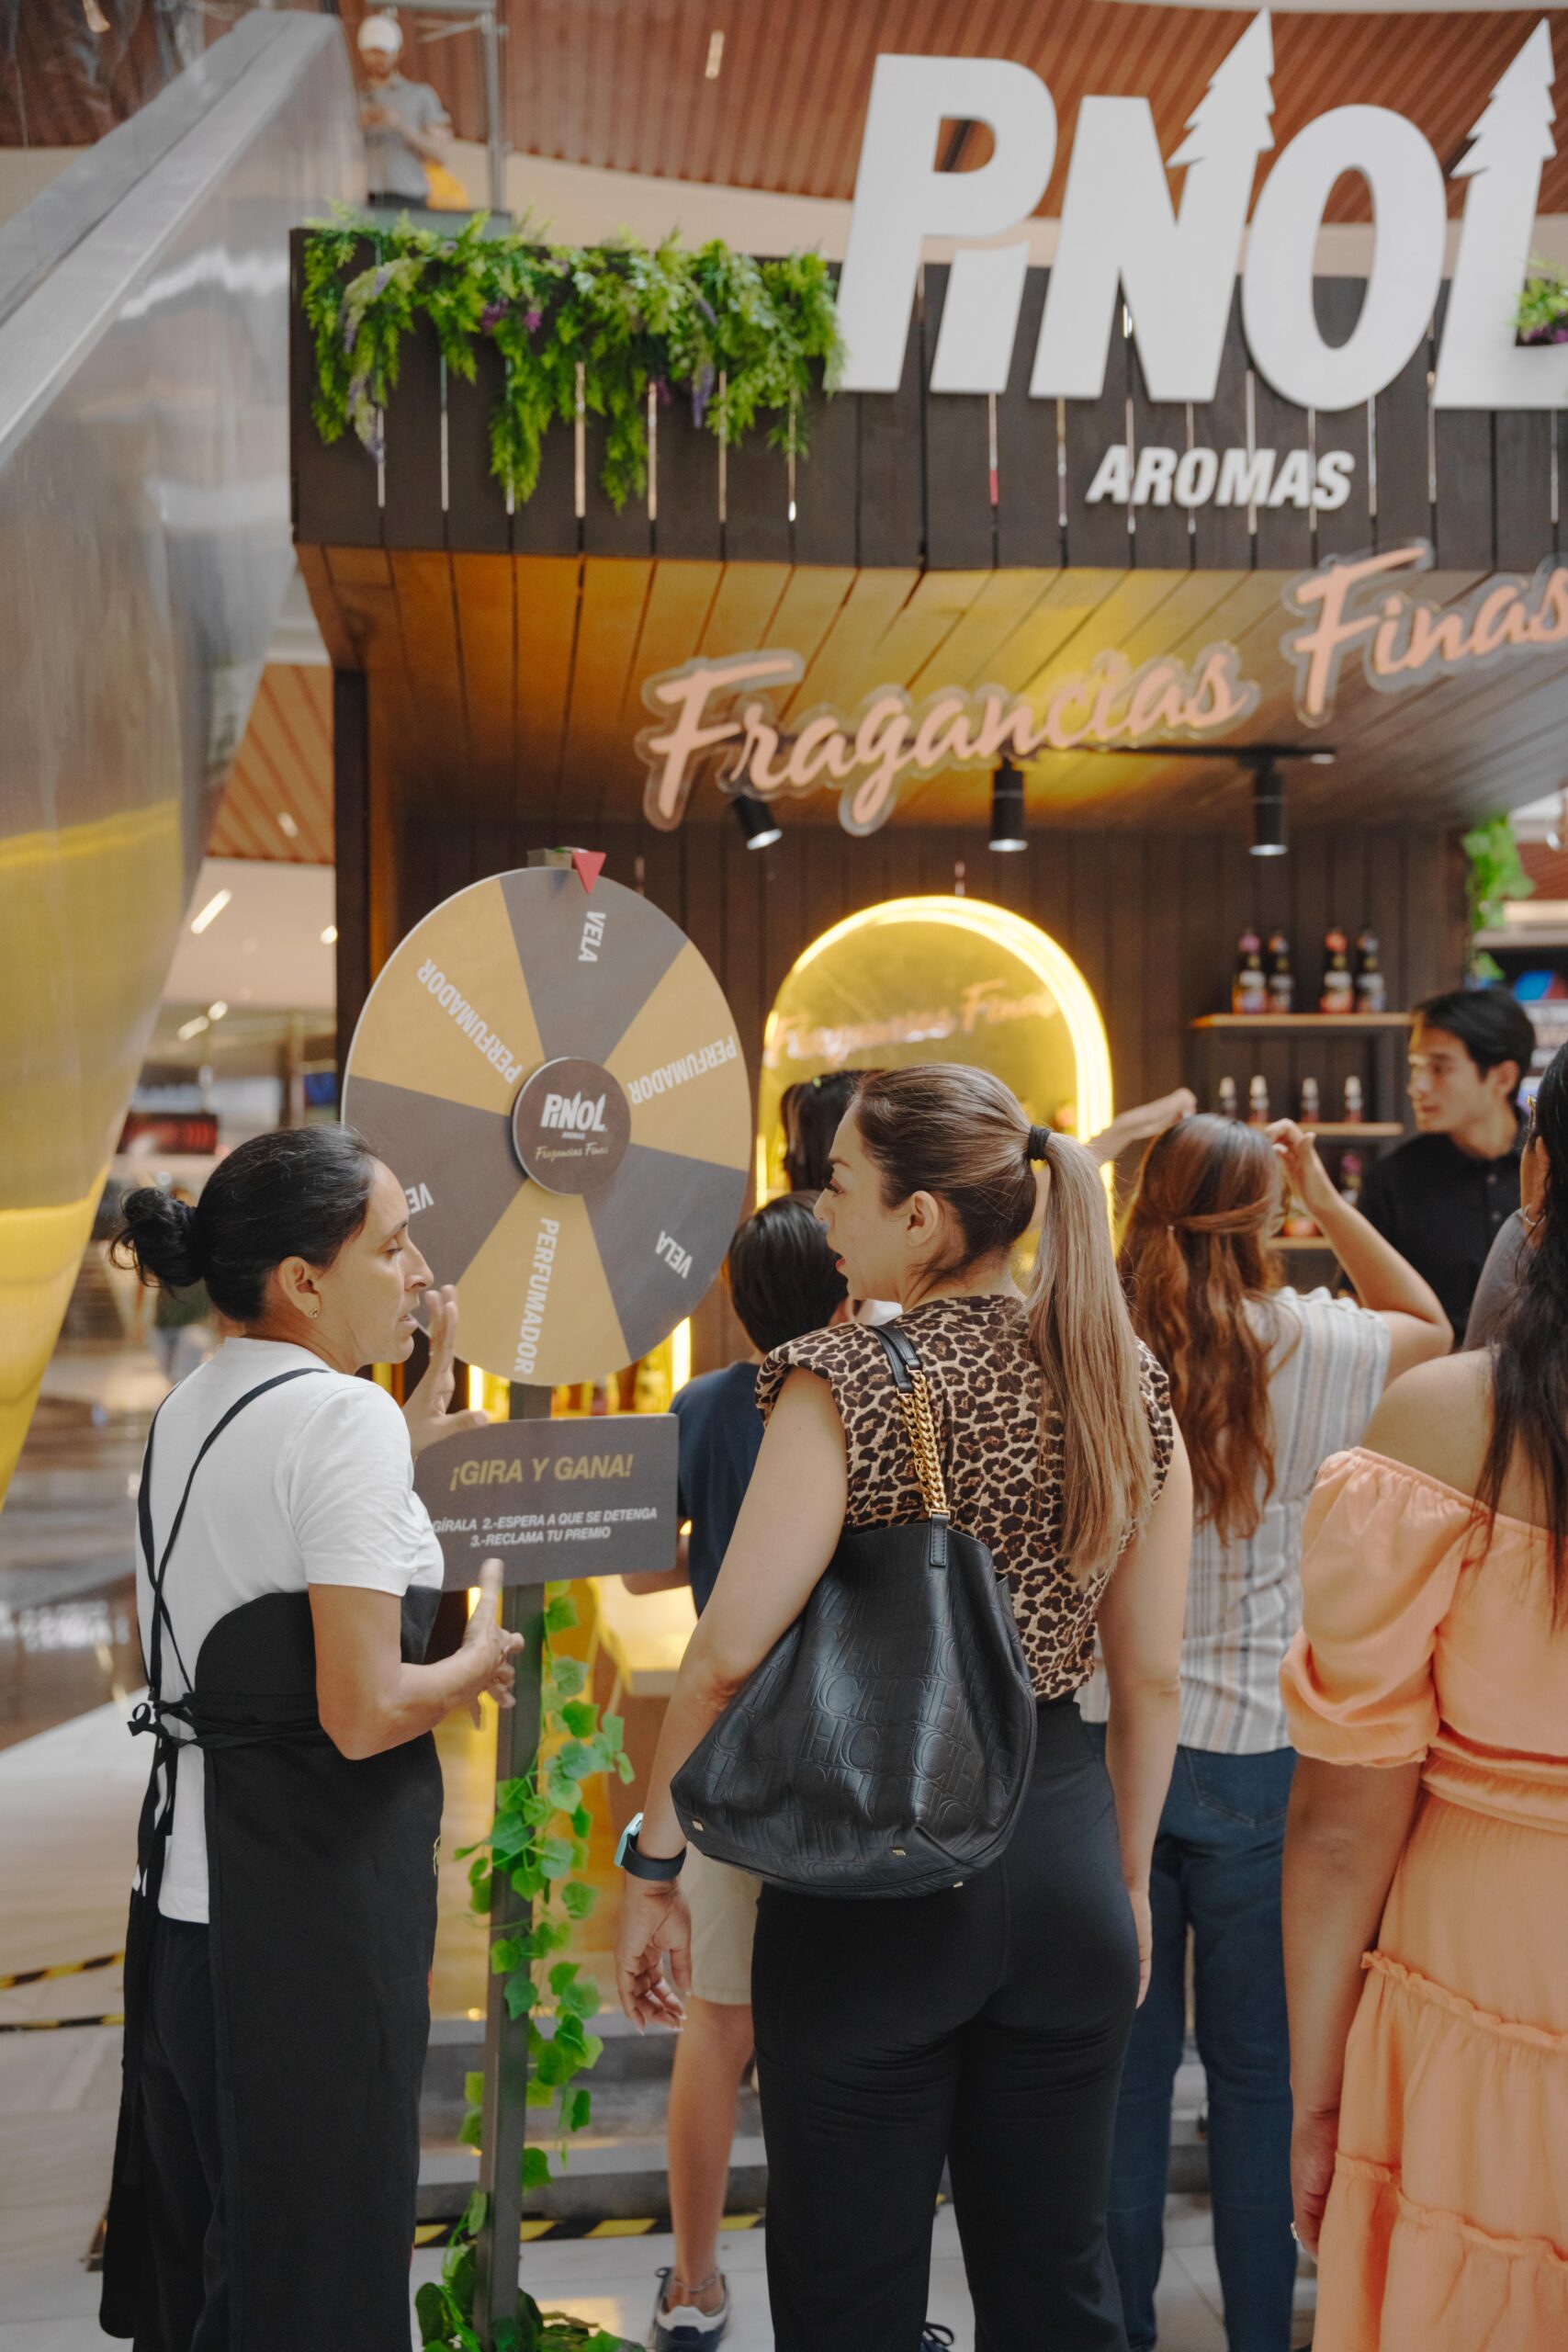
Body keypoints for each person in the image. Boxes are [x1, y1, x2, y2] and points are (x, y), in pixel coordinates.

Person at [615, 1062, 1194, 2352]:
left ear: (921, 1218)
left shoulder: (842, 1377)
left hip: (870, 1868)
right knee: (1057, 2287)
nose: (821, 1212)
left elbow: (721, 1659)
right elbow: (1150, 1677)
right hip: (1062, 1851)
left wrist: (655, 1866)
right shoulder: (1123, 1376)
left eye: (841, 1186)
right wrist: (1127, 1880)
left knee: (849, 2294)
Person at [101, 1125, 518, 2352]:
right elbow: (363, 1707)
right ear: (302, 1280)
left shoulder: (195, 1403)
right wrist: (477, 1663)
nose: (418, 1270)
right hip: (303, 1925)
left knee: (238, 2275)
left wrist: (407, 1428)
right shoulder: (340, 1419)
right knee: (321, 2285)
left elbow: (274, 1534)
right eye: (391, 1246)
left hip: (188, 1914)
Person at [1084, 1115, 1450, 2352]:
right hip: (1261, 1756)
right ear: (1265, 1223)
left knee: (1126, 2079)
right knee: (1257, 2082)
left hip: (1116, 1750)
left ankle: (1123, 2333)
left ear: (1148, 1206)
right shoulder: (1316, 1341)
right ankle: (1255, 2335)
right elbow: (1432, 1327)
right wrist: (1329, 1204)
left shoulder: (1103, 1337)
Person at [1281, 1053, 1568, 2352]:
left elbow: (1342, 1822)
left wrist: (1316, 2090)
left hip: (1478, 1963)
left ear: (1536, 1177)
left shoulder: (1447, 1426)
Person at [621, 1193, 850, 2347]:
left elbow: (644, 1574)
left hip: (730, 1754)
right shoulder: (867, 1394)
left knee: (718, 2024)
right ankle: (844, 2285)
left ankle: (695, 2281)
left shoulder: (707, 1402)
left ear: (739, 1299)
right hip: (854, 1748)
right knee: (846, 2033)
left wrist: (718, 1539)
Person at [1356, 986, 1536, 1343]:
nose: (1416, 1086)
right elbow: (1362, 1313)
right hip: (1430, 1376)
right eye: (1416, 1067)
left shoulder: (1555, 1166)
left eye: (1439, 1068)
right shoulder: (1390, 1182)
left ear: (1502, 1077)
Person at [356, 11, 452, 209]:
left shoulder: (421, 95)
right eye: (372, 51)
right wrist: (357, 125)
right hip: (362, 196)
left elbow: (440, 155)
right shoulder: (351, 96)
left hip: (409, 197)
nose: (379, 58)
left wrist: (401, 126)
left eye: (384, 51)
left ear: (399, 52)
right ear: (362, 52)